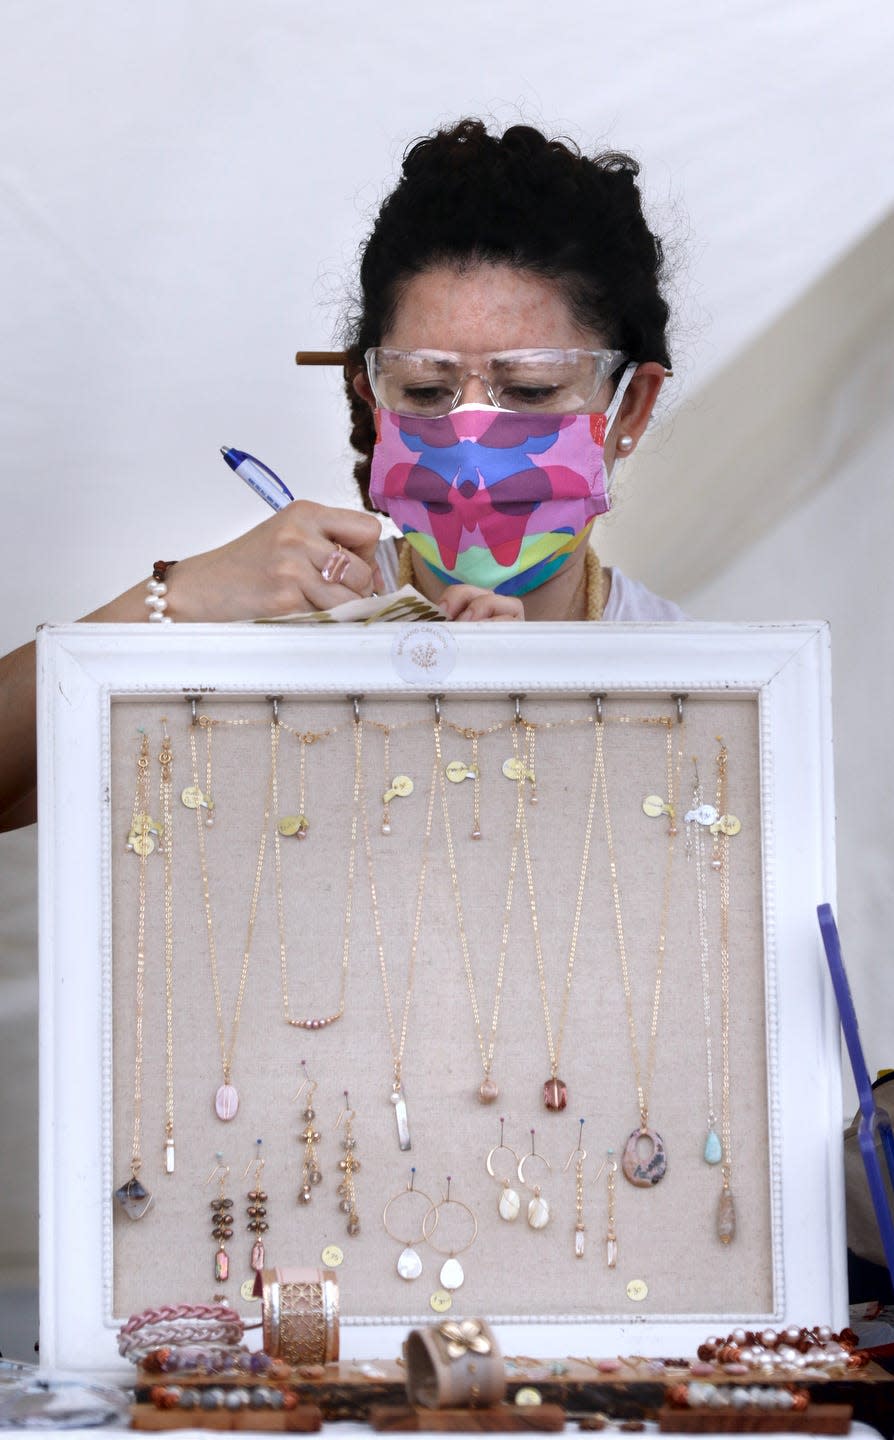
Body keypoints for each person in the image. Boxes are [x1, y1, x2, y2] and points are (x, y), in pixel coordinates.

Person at [0, 118, 683, 833]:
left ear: (631, 402)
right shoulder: (279, 628)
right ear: (371, 394)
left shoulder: (707, 681)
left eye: (533, 390)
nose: (474, 445)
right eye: (425, 390)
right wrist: (177, 598)